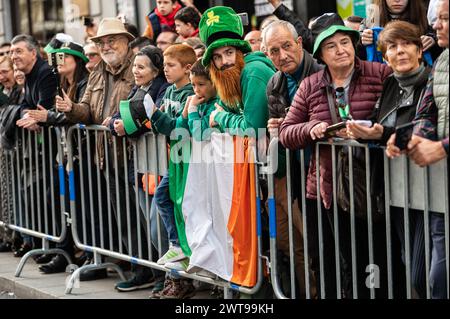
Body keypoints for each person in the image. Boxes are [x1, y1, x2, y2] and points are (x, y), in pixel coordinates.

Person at [279, 25, 392, 298]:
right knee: (330, 263)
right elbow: (285, 132)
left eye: (345, 42)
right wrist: (310, 128)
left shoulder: (380, 74)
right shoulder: (310, 85)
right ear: (320, 55)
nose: (341, 50)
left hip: (371, 188)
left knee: (372, 264)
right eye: (332, 46)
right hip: (325, 190)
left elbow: (396, 119)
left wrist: (372, 131)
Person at [346, 20, 433, 298]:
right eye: (392, 47)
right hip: (395, 192)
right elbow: (381, 126)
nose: (401, 51)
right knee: (410, 265)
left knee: (423, 272)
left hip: (429, 191)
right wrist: (363, 131)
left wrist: (382, 133)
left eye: (407, 44)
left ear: (420, 50)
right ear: (385, 57)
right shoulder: (390, 85)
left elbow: (424, 130)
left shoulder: (432, 82)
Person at [56, 18, 145, 283]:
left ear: (126, 41)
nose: (105, 46)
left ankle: (156, 270)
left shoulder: (138, 67)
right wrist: (71, 108)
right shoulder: (97, 72)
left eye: (111, 41)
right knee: (125, 217)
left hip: (135, 156)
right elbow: (88, 111)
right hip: (107, 156)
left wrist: (121, 120)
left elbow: (145, 103)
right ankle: (139, 267)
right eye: (101, 42)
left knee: (143, 215)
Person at [386, 0, 449, 299]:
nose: (435, 26)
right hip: (441, 191)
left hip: (438, 176)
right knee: (435, 278)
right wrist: (405, 140)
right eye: (437, 19)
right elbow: (426, 113)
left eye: (445, 19)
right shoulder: (442, 62)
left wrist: (442, 148)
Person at [263, 20, 322, 298]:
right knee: (299, 245)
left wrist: (292, 126)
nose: (282, 55)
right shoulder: (274, 82)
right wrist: (277, 127)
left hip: (323, 171)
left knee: (325, 247)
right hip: (294, 172)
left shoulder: (321, 72)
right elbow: (280, 127)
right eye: (274, 51)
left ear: (300, 43)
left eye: (287, 46)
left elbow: (327, 120)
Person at [25, 40, 89, 274]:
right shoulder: (61, 83)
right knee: (60, 201)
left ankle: (89, 254)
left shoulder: (85, 82)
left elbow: (78, 114)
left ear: (77, 60)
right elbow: (53, 112)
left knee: (84, 207)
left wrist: (47, 118)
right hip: (64, 155)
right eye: (57, 57)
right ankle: (66, 251)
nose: (58, 61)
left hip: (83, 155)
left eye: (64, 57)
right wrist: (46, 116)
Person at [144, 43, 196, 299]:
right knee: (165, 200)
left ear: (188, 68)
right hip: (173, 160)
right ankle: (177, 252)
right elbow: (163, 127)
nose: (165, 70)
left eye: (171, 66)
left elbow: (178, 128)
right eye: (164, 66)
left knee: (170, 201)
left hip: (188, 161)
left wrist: (155, 116)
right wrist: (155, 118)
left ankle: (180, 250)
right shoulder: (169, 93)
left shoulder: (190, 92)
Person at [198, 6, 276, 139]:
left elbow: (252, 130)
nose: (224, 61)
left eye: (229, 52)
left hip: (275, 157)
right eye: (217, 57)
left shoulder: (252, 72)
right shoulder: (228, 77)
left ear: (239, 52)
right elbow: (211, 125)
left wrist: (220, 116)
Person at [360, 0, 441, 61]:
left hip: (421, 74)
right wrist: (362, 40)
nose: (397, 0)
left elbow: (443, 44)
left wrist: (433, 40)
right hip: (382, 74)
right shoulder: (371, 19)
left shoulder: (426, 16)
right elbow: (357, 54)